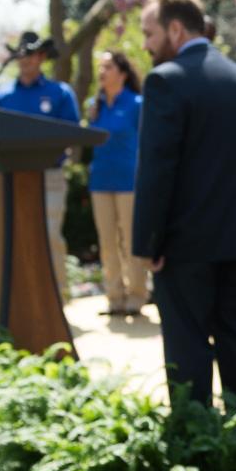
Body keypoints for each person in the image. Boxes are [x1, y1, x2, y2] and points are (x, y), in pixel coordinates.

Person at [132, 0, 236, 403]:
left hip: (185, 244)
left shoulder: (165, 80)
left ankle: (196, 450)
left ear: (175, 29)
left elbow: (157, 170)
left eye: (150, 33)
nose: (146, 44)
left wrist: (147, 242)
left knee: (187, 349)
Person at [0, 31, 79, 298]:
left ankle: (57, 296)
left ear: (42, 57)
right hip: (10, 176)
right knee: (12, 237)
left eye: (30, 54)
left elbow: (71, 132)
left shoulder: (59, 93)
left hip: (48, 174)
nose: (25, 60)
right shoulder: (2, 94)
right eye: (21, 55)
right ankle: (17, 297)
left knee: (50, 235)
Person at [87, 51, 148, 317]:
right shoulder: (95, 104)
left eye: (108, 67)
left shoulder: (137, 103)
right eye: (100, 67)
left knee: (131, 240)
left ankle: (137, 294)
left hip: (129, 182)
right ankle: (114, 296)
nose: (102, 72)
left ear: (122, 73)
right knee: (107, 241)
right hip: (100, 180)